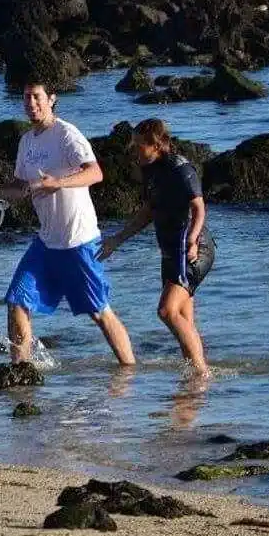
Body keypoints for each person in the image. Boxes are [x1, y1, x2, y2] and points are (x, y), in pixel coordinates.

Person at [0, 81, 135, 366]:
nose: (31, 103)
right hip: (46, 242)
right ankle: (21, 373)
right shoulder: (26, 141)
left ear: (51, 99)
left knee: (99, 312)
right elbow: (21, 186)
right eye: (26, 97)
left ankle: (129, 373)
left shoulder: (66, 134)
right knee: (17, 300)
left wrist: (59, 183)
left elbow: (96, 173)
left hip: (78, 240)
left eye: (37, 97)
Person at [97, 117, 216, 376]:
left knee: (166, 310)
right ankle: (193, 385)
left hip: (193, 249)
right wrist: (117, 239)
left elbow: (199, 207)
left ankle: (202, 373)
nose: (134, 150)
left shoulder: (179, 168)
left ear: (156, 145)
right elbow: (148, 212)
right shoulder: (151, 171)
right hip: (170, 251)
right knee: (183, 318)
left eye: (139, 145)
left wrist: (193, 240)